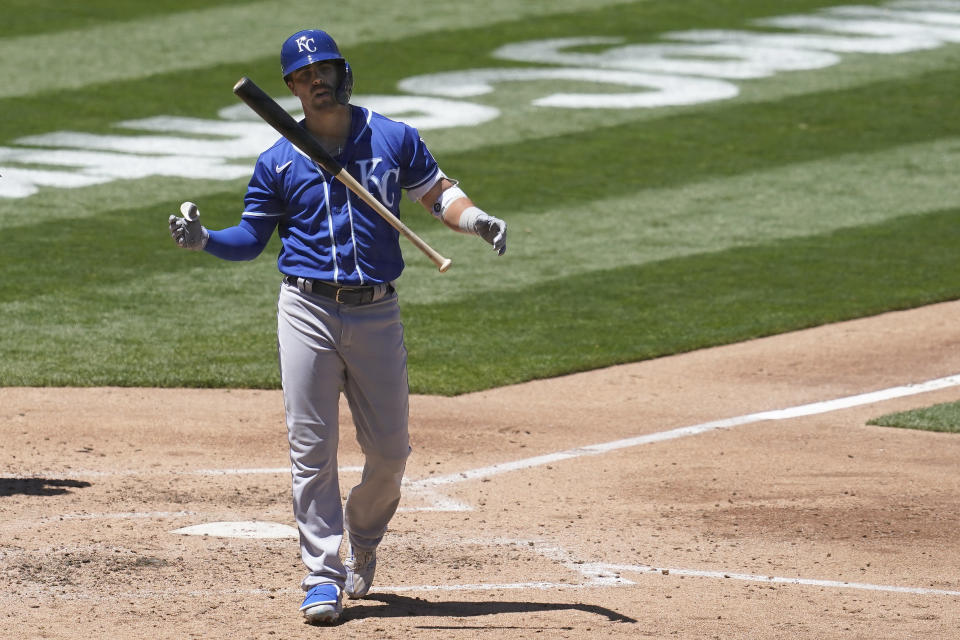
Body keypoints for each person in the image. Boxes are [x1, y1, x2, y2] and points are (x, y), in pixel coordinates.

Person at [168, 28, 506, 624]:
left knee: (390, 453)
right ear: (292, 89)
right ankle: (323, 575)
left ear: (343, 72)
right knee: (311, 449)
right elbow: (250, 240)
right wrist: (204, 240)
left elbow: (435, 194)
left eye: (324, 69)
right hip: (307, 310)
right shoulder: (278, 160)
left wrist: (475, 218)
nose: (317, 81)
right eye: (304, 76)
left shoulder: (392, 137)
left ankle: (365, 534)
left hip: (377, 311)